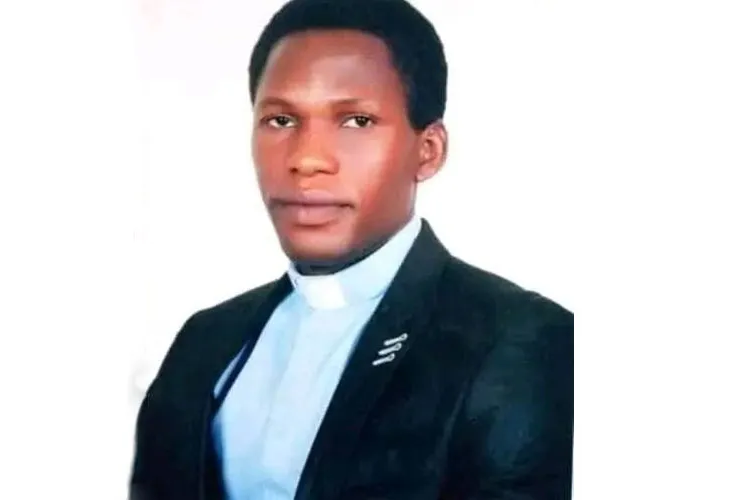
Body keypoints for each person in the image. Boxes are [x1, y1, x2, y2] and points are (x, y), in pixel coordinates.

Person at [130, 0, 573, 499]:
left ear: (428, 151)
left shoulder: (518, 341)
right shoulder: (204, 341)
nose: (306, 159)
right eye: (280, 120)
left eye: (357, 121)